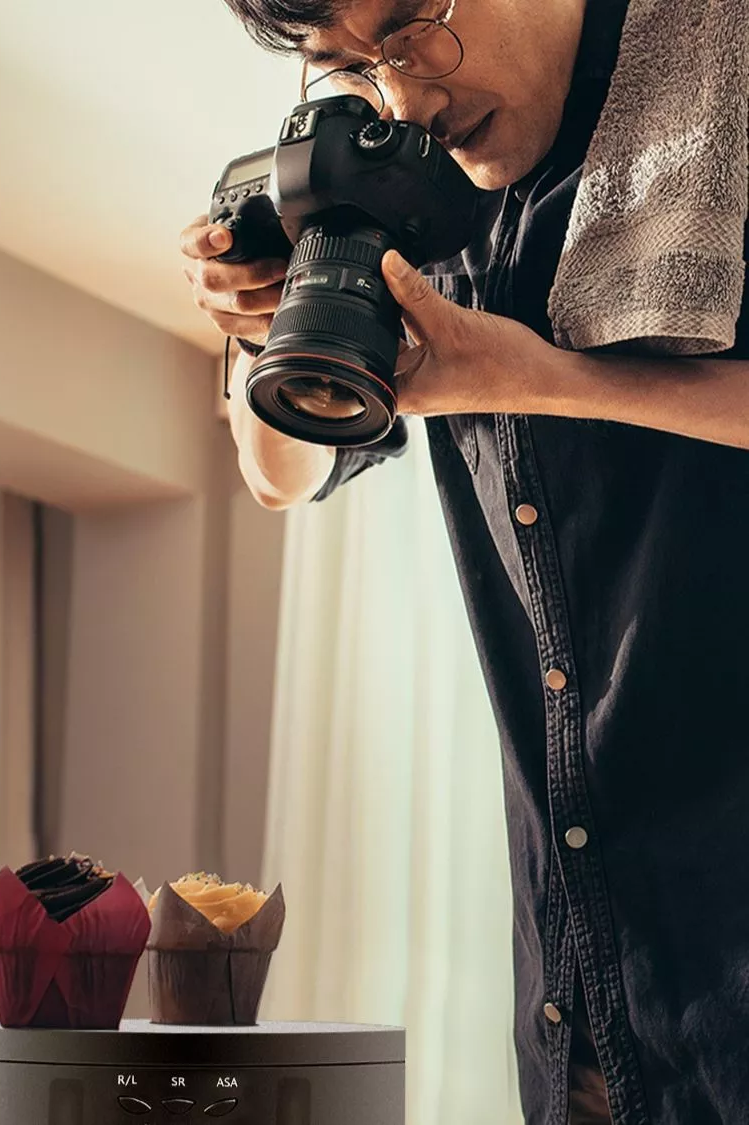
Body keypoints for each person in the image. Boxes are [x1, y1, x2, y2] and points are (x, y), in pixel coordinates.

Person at [181, 2, 749, 1122]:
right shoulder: (412, 194)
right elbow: (281, 476)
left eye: (410, 26)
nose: (403, 97)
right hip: (583, 1009)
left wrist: (544, 377)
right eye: (350, 65)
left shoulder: (715, 89)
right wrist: (263, 323)